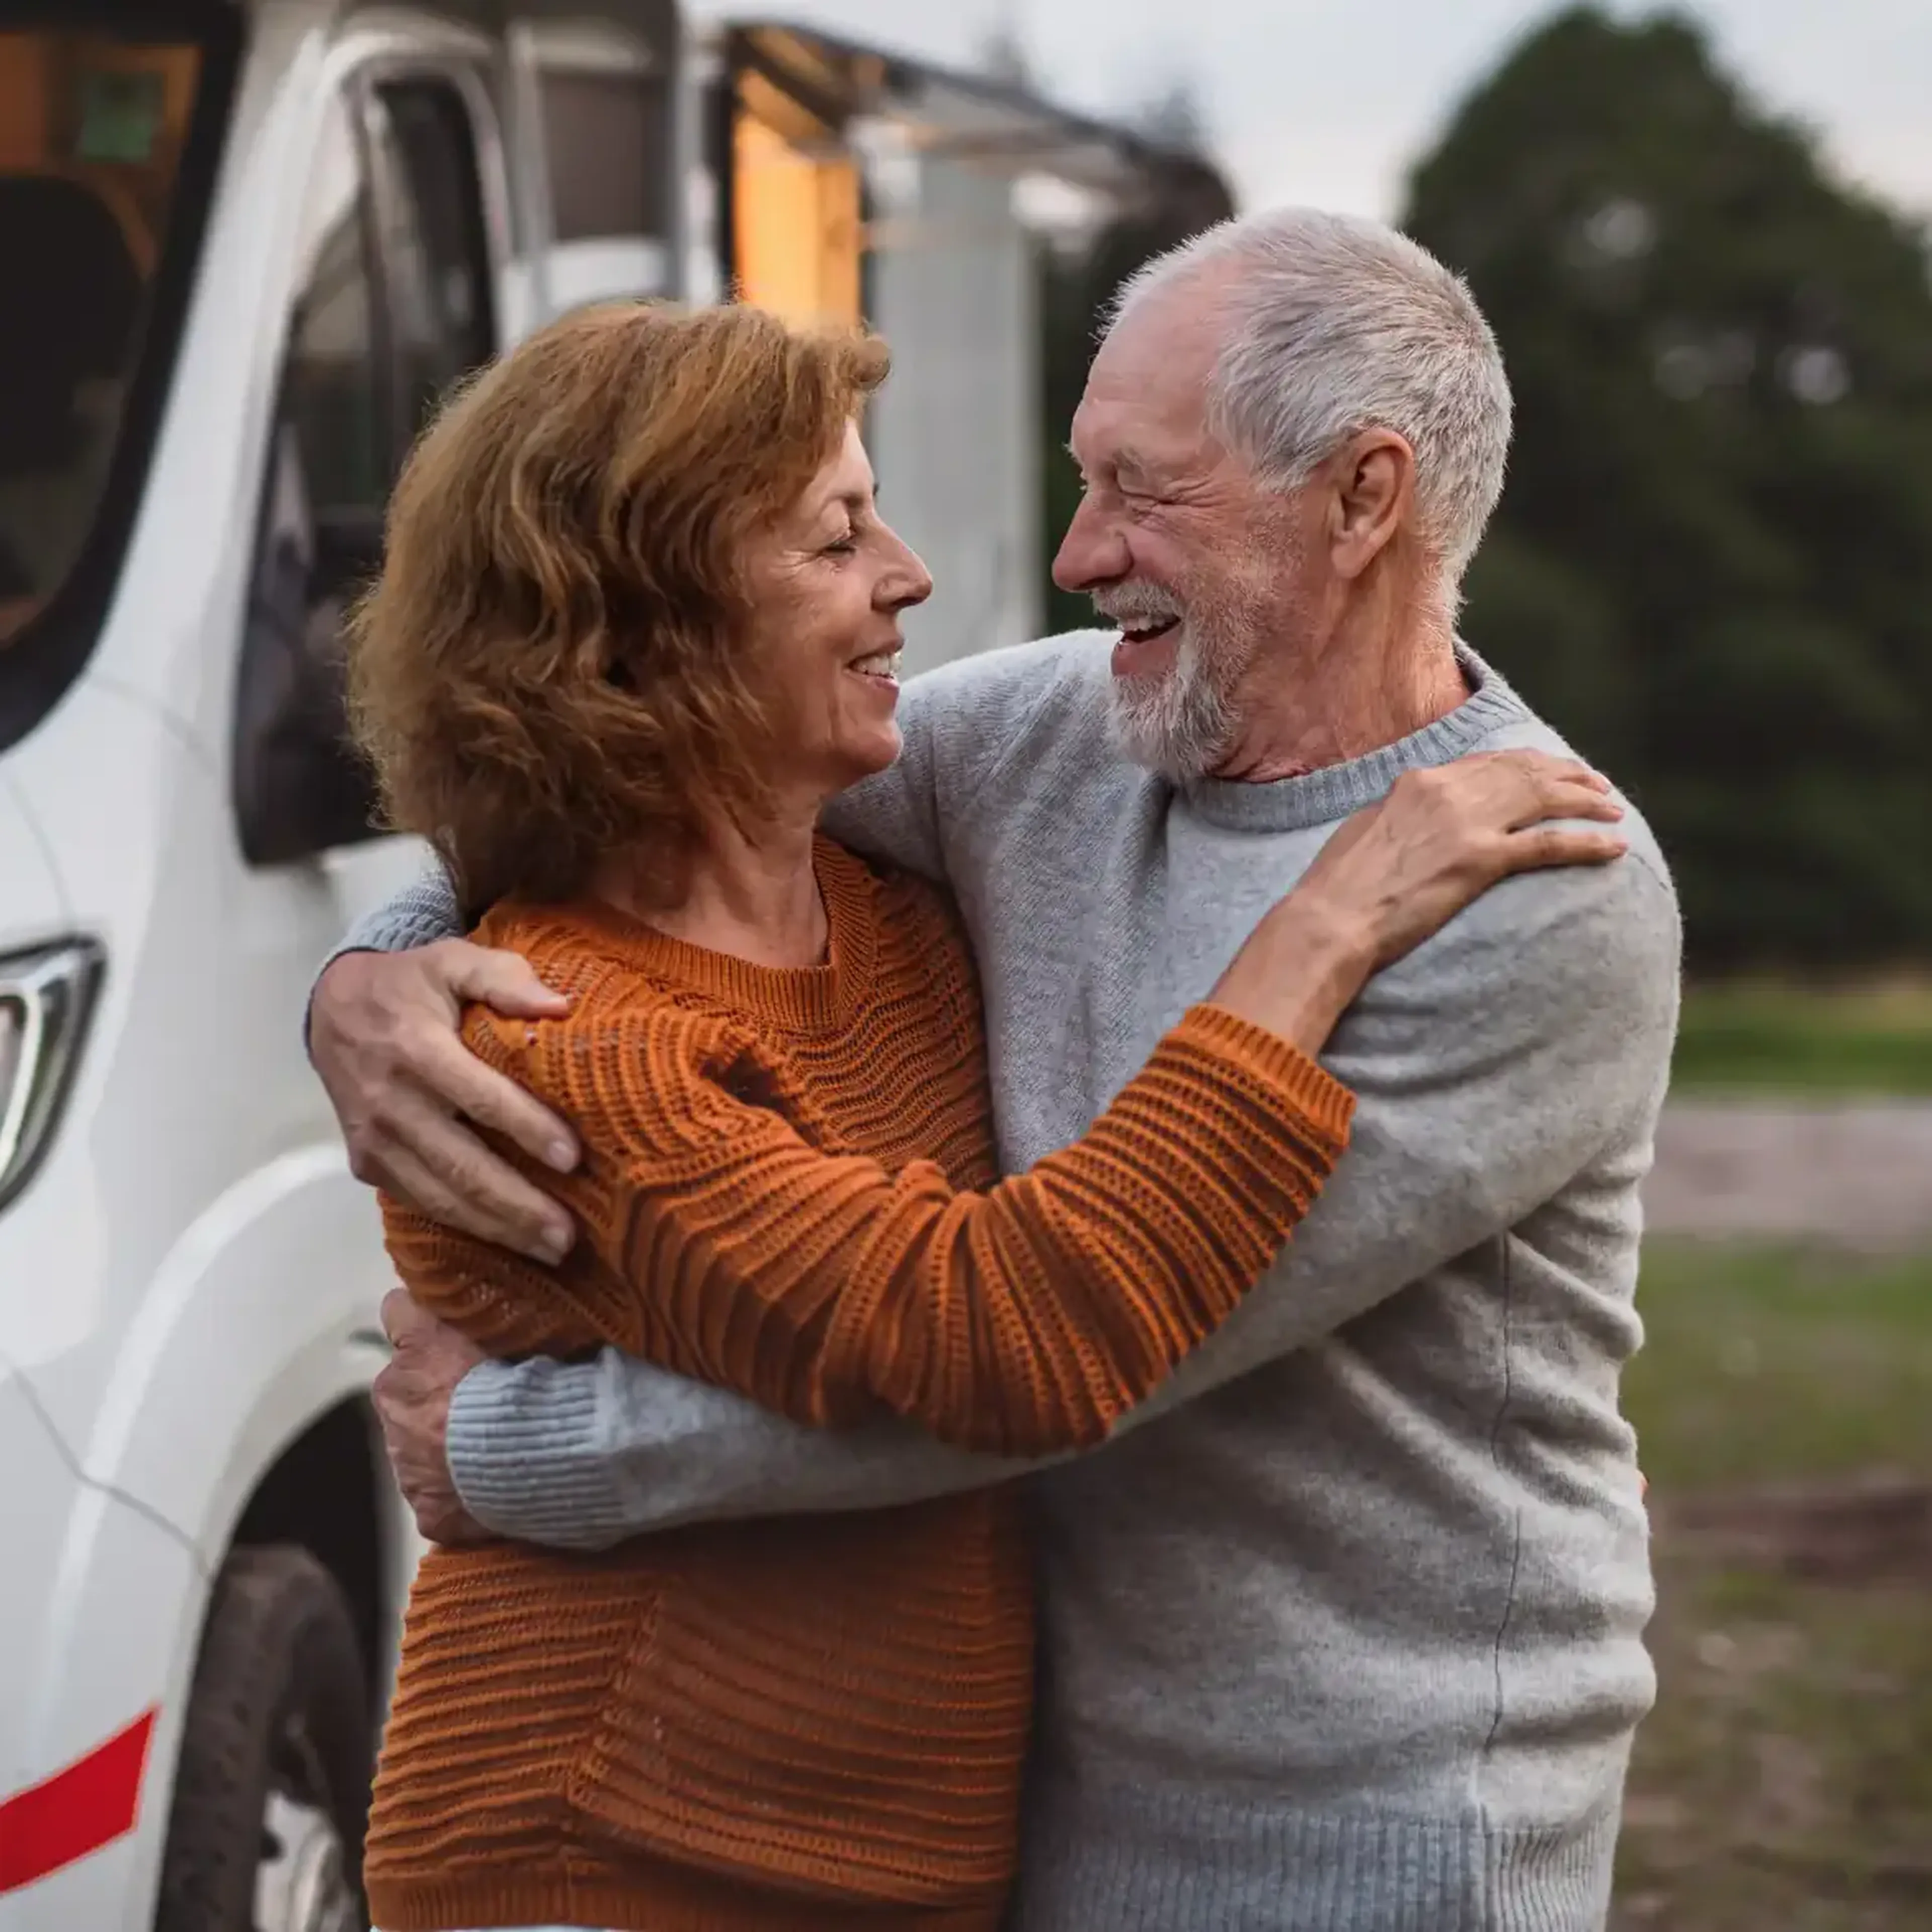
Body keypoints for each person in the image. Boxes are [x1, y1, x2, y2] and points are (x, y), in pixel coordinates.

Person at [313, 208, 1682, 1932]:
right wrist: (364, 976)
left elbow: (1069, 1341)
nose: (1073, 552)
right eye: (1083, 477)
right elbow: (617, 767)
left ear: (1363, 497)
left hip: (1353, 1827)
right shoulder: (1054, 733)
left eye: (1142, 490)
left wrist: (522, 1453)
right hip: (999, 1802)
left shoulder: (1527, 885)